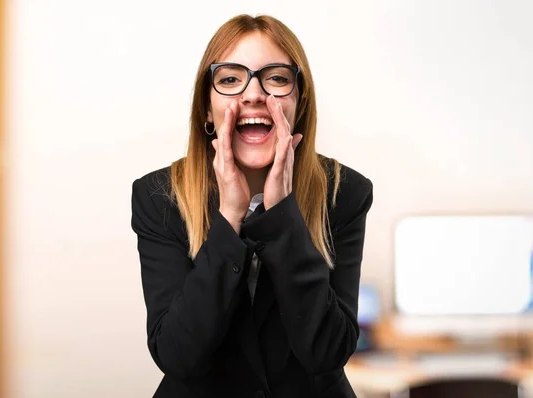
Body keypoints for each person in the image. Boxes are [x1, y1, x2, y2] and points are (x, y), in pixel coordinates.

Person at [131, 13, 373, 398]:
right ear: (207, 111)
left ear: (300, 104)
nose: (254, 93)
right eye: (230, 79)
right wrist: (229, 217)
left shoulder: (345, 193)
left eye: (276, 78)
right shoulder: (159, 196)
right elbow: (178, 356)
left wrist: (282, 217)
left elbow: (327, 353)